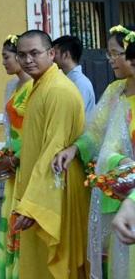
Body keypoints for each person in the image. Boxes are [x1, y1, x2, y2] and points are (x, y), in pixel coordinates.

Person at [52, 25, 135, 278]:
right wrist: (74, 149)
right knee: (114, 261)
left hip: (131, 192)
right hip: (112, 189)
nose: (110, 58)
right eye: (109, 52)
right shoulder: (114, 91)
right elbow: (96, 132)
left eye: (115, 52)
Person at [12, 30, 88, 279]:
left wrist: (33, 206)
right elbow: (37, 140)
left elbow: (53, 150)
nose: (28, 60)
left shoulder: (58, 90)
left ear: (52, 54)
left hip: (56, 189)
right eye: (22, 55)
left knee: (53, 265)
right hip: (43, 188)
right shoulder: (40, 85)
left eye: (35, 53)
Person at [0, 34, 33, 278]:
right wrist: (6, 153)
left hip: (26, 158)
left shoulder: (33, 87)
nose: (3, 62)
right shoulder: (13, 86)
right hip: (13, 156)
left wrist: (17, 156)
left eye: (6, 57)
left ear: (19, 57)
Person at [52, 35, 95, 115]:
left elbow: (73, 115)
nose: (52, 57)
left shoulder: (80, 83)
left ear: (66, 55)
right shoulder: (68, 79)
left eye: (55, 53)